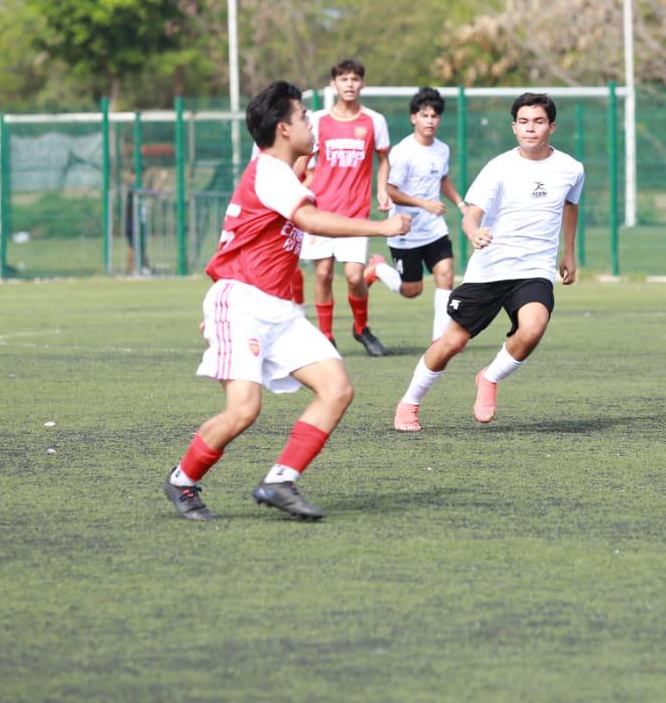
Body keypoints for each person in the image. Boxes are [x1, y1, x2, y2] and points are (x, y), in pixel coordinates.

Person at [162, 80, 410, 523]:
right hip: (241, 302)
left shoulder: (282, 172)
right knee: (243, 411)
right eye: (303, 119)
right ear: (282, 129)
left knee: (337, 388)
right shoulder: (270, 172)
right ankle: (183, 481)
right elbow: (310, 220)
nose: (311, 125)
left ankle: (280, 480)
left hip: (277, 308)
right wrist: (381, 229)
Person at [392, 92, 582, 432]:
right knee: (452, 343)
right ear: (514, 127)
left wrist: (569, 251)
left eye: (538, 121)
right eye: (523, 122)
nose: (530, 128)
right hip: (491, 269)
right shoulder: (499, 167)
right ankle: (409, 402)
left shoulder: (571, 168)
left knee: (533, 327)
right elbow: (471, 213)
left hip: (534, 270)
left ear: (551, 126)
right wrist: (473, 233)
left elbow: (570, 205)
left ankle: (489, 378)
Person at [295, 58, 394, 357]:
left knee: (353, 276)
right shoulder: (319, 120)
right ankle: (326, 336)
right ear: (333, 84)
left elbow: (384, 159)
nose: (349, 84)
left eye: (355, 79)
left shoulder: (374, 121)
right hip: (320, 210)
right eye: (344, 79)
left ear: (362, 83)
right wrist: (292, 185)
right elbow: (302, 158)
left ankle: (361, 328)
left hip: (354, 214)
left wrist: (381, 191)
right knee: (323, 274)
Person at [366, 86, 465, 347]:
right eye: (424, 115)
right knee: (412, 290)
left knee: (445, 274)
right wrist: (424, 204)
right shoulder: (402, 152)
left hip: (434, 229)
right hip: (405, 232)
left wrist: (460, 203)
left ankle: (439, 339)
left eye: (434, 116)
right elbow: (390, 190)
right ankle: (377, 269)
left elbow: (442, 179)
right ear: (413, 118)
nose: (430, 121)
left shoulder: (442, 149)